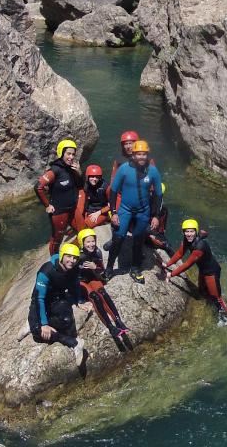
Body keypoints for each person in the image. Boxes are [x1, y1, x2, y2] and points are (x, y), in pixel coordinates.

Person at [109, 139, 163, 284]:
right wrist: (113, 212)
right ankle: (108, 270)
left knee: (138, 240)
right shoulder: (124, 169)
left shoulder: (152, 171)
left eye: (144, 154)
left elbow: (158, 194)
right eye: (138, 154)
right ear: (133, 155)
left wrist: (156, 216)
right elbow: (113, 191)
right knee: (118, 237)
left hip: (143, 212)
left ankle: (135, 268)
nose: (141, 157)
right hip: (125, 209)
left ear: (147, 155)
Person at [27, 240, 90, 359]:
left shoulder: (74, 268)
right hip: (41, 299)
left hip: (58, 298)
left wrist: (79, 301)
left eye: (75, 258)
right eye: (69, 256)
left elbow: (76, 284)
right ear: (62, 256)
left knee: (66, 322)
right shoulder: (47, 271)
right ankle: (75, 344)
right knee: (38, 332)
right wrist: (44, 324)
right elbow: (39, 298)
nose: (72, 260)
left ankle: (33, 321)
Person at [160, 218, 227, 317]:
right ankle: (208, 306)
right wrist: (167, 264)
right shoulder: (187, 240)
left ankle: (226, 318)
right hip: (203, 270)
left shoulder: (199, 247)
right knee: (202, 292)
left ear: (196, 232)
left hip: (211, 272)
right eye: (186, 231)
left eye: (191, 231)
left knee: (216, 298)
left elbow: (187, 264)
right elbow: (179, 253)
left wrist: (170, 274)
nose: (189, 234)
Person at [75, 228, 130, 339]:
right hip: (80, 282)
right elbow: (70, 276)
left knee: (103, 293)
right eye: (88, 242)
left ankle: (118, 321)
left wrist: (95, 268)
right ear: (82, 243)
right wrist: (77, 300)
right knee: (95, 297)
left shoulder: (97, 252)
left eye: (93, 241)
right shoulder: (77, 257)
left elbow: (102, 273)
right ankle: (110, 327)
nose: (91, 244)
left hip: (92, 278)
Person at [35, 139, 83, 255]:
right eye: (68, 154)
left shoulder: (72, 168)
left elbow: (80, 186)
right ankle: (54, 259)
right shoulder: (55, 170)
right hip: (59, 212)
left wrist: (79, 173)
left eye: (73, 154)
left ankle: (73, 252)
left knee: (83, 232)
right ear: (61, 153)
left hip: (72, 208)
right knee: (57, 239)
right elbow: (38, 187)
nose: (71, 157)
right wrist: (47, 205)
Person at [73, 164, 111, 232]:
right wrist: (78, 171)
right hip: (90, 209)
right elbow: (79, 181)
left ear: (100, 177)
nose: (94, 179)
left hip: (101, 211)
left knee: (85, 226)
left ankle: (79, 241)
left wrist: (99, 212)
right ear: (88, 177)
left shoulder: (106, 187)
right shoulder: (86, 185)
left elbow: (112, 204)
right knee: (76, 223)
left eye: (97, 177)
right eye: (92, 177)